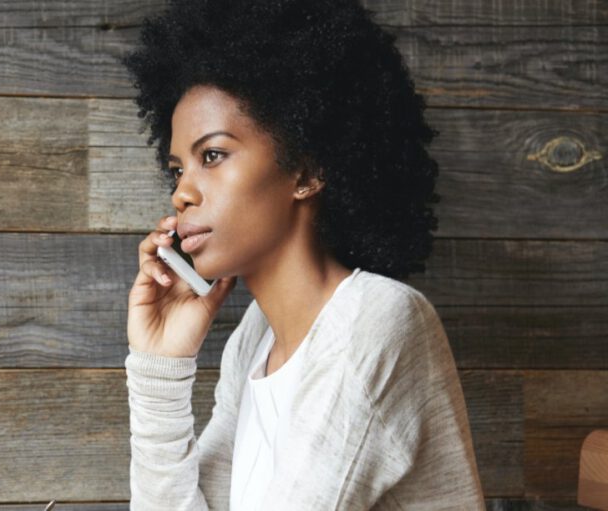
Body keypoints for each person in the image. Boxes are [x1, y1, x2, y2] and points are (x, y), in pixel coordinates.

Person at [120, 0, 486, 509]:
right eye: (178, 169)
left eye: (213, 155)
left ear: (307, 172)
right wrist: (160, 364)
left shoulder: (376, 321)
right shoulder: (255, 341)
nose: (182, 192)